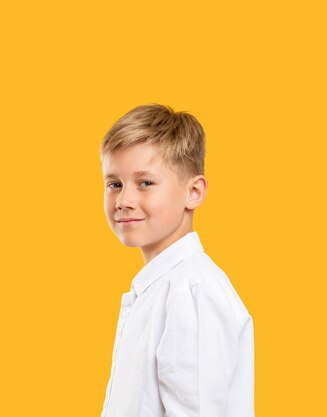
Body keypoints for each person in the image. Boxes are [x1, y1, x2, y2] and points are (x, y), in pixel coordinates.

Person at [99, 104, 254, 417]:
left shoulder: (192, 292)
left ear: (193, 192)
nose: (124, 201)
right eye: (114, 184)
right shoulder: (159, 288)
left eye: (146, 183)